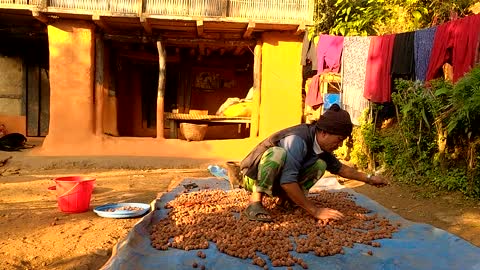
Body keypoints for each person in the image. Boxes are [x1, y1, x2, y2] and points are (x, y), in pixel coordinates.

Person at [239, 104, 388, 222]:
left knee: (320, 165)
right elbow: (287, 181)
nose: (340, 145)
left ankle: (285, 201)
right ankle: (255, 202)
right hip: (254, 178)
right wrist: (315, 211)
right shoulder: (296, 140)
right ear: (324, 133)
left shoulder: (321, 145)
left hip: (278, 181)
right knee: (277, 154)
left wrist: (369, 179)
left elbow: (341, 169)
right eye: (339, 140)